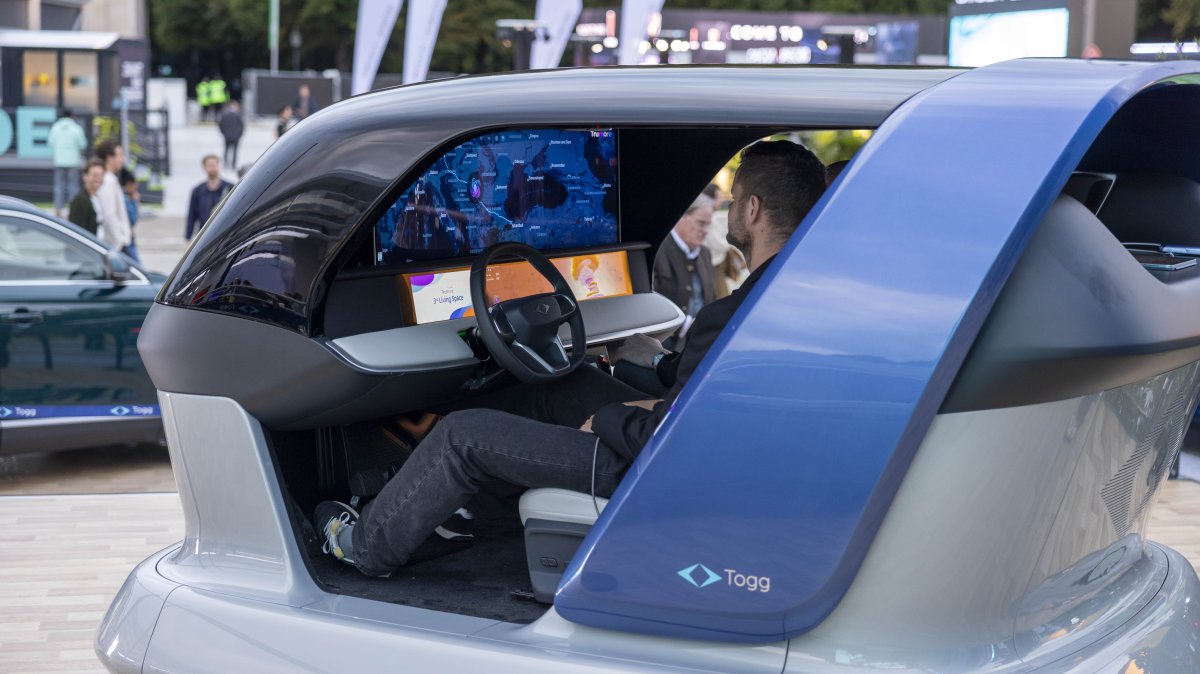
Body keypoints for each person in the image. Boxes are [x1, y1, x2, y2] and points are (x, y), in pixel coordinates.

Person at [312, 140, 828, 576]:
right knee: (563, 383)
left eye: (734, 200)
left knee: (461, 435)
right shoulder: (796, 296)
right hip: (724, 459)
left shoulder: (737, 313)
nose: (727, 211)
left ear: (754, 209)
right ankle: (447, 508)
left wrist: (606, 418)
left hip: (666, 474)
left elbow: (670, 439)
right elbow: (703, 409)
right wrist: (643, 402)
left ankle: (369, 547)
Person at [652, 193, 717, 343]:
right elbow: (650, 304)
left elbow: (711, 297)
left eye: (708, 224)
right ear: (681, 217)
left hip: (700, 341)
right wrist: (686, 325)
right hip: (664, 343)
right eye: (701, 223)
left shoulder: (705, 253)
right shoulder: (657, 250)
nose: (706, 230)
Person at [93, 140, 133, 255]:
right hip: (119, 245)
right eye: (119, 155)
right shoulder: (107, 181)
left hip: (121, 242)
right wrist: (119, 243)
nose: (122, 159)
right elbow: (109, 215)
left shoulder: (110, 179)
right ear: (109, 158)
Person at [47, 110, 88, 218]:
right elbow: (83, 144)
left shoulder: (56, 127)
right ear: (72, 116)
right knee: (73, 186)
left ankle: (58, 209)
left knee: (59, 186)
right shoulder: (76, 128)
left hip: (59, 160)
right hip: (73, 161)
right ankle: (73, 209)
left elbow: (50, 142)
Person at [185, 154, 233, 240]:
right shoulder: (197, 191)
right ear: (204, 167)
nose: (213, 168)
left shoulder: (230, 188)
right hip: (204, 237)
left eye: (215, 165)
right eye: (210, 165)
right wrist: (187, 238)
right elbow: (191, 216)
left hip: (225, 234)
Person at [67, 160, 106, 236]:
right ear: (85, 177)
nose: (98, 179)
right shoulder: (80, 201)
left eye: (101, 175)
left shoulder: (96, 198)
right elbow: (77, 233)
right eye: (95, 175)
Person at [119, 168, 142, 263]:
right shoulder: (126, 200)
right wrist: (135, 201)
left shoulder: (121, 196)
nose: (136, 187)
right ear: (128, 185)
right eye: (134, 184)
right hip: (126, 239)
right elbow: (133, 219)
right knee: (137, 265)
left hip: (125, 237)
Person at [218, 100, 245, 168]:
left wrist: (223, 133)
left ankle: (226, 164)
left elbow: (220, 125)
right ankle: (233, 165)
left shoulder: (224, 115)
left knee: (226, 150)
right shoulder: (238, 115)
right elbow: (242, 126)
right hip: (236, 136)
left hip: (227, 136)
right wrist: (240, 134)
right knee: (235, 151)